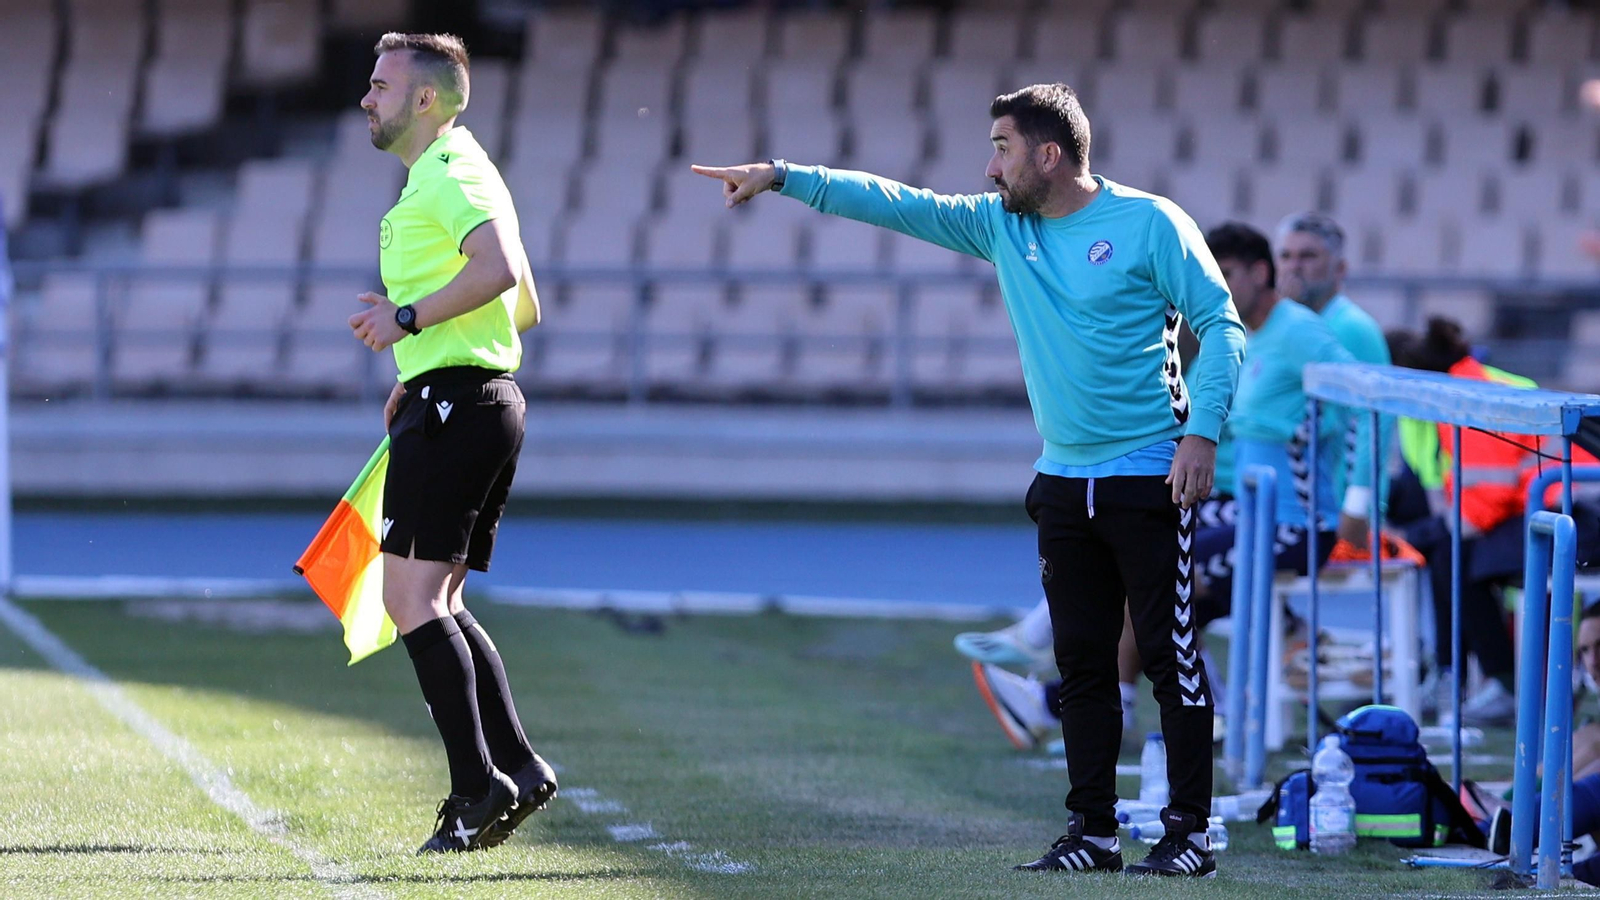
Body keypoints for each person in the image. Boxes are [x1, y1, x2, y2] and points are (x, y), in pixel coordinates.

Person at [692, 82, 1246, 877]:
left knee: (1170, 658)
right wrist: (783, 175)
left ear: (1048, 155)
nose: (989, 167)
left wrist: (1201, 434)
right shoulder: (1000, 227)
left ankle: (1188, 834)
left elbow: (1222, 326)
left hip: (1149, 475)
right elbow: (897, 203)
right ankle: (1092, 834)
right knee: (1081, 665)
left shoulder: (1150, 223)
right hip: (1061, 480)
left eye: (1002, 148)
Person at [349, 32, 554, 854]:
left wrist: (409, 322)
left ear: (423, 99)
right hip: (468, 396)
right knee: (443, 601)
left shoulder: (451, 171)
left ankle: (477, 791)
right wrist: (423, 355)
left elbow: (501, 270)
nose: (366, 98)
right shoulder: (459, 170)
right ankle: (518, 769)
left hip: (457, 406)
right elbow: (525, 307)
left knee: (411, 604)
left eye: (380, 84)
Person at [1274, 212, 1391, 552]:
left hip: (1334, 512)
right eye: (1286, 256)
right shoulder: (1294, 324)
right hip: (1299, 500)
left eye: (1308, 256)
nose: (1294, 266)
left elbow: (1375, 416)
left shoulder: (1350, 328)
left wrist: (1356, 505)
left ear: (1340, 269)